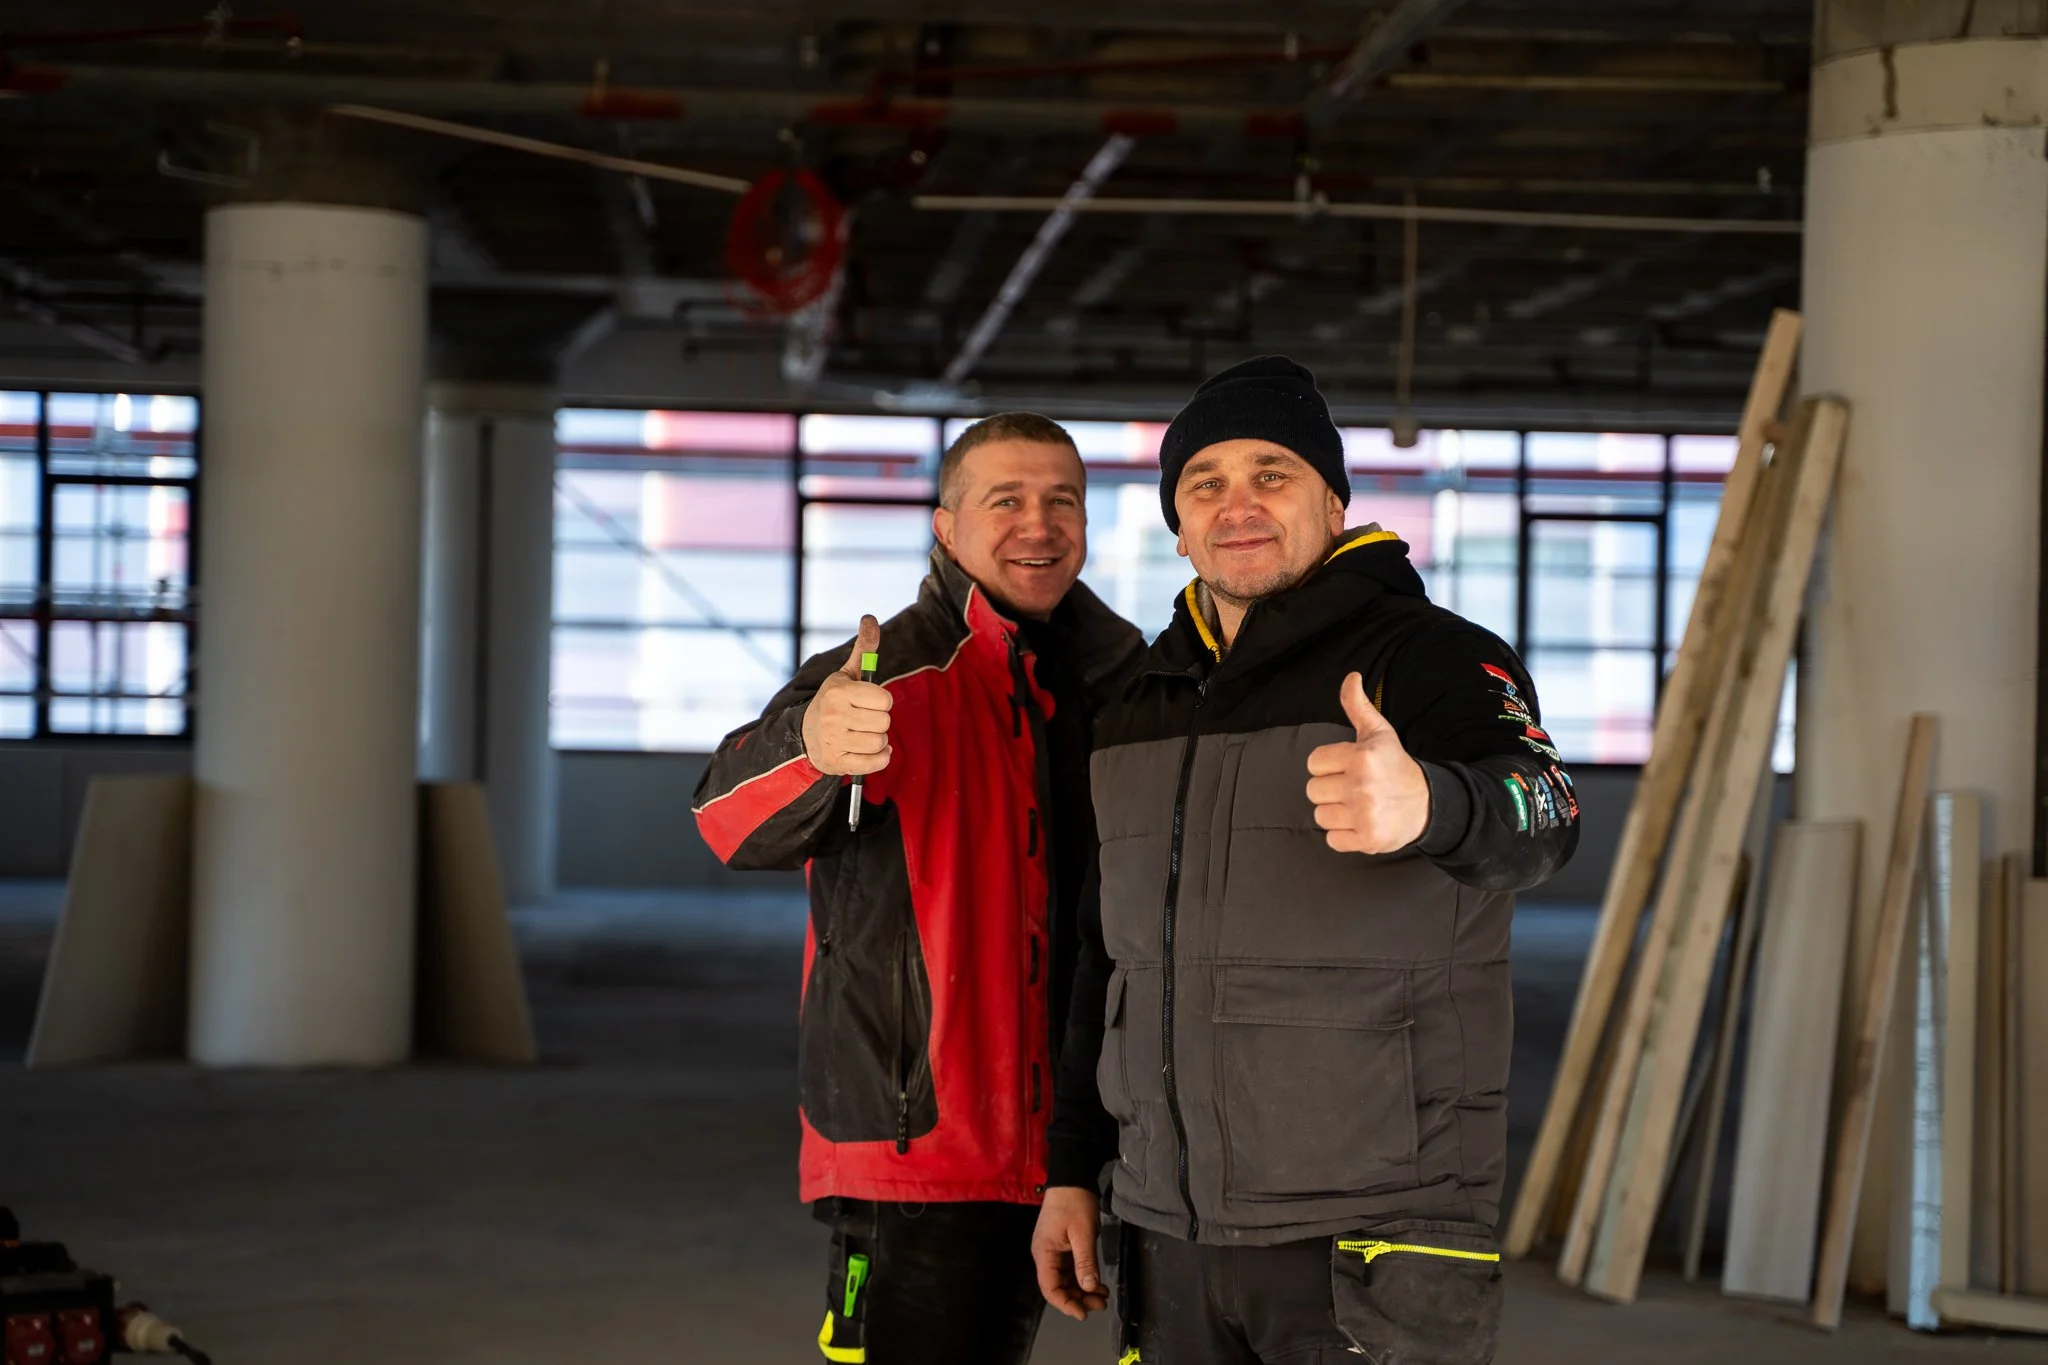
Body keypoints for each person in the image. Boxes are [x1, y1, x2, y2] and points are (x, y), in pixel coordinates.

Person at [1031, 357, 1579, 1365]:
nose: (1236, 505)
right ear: (1177, 523)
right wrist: (1073, 1167)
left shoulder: (1430, 657)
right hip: (1166, 1226)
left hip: (1372, 1234)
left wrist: (1434, 804)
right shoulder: (1141, 702)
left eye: (1271, 474)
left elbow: (1546, 812)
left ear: (1333, 500)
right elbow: (1105, 962)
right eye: (1205, 483)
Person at [693, 413, 1145, 1365]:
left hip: (1084, 1139)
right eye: (1006, 500)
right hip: (919, 1147)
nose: (1039, 524)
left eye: (1062, 500)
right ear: (947, 526)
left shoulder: (1127, 681)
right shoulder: (880, 678)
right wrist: (810, 747)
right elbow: (725, 818)